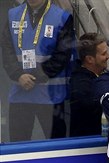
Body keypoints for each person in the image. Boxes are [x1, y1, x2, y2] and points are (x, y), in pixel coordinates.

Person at [1, 0, 75, 142]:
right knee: (19, 146)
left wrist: (36, 76)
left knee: (56, 146)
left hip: (51, 96)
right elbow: (6, 50)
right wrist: (19, 75)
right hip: (20, 93)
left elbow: (62, 55)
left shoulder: (62, 17)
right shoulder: (13, 14)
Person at [69, 33, 109, 137]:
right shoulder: (80, 83)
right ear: (89, 59)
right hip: (87, 145)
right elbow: (95, 106)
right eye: (104, 54)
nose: (108, 56)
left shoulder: (101, 75)